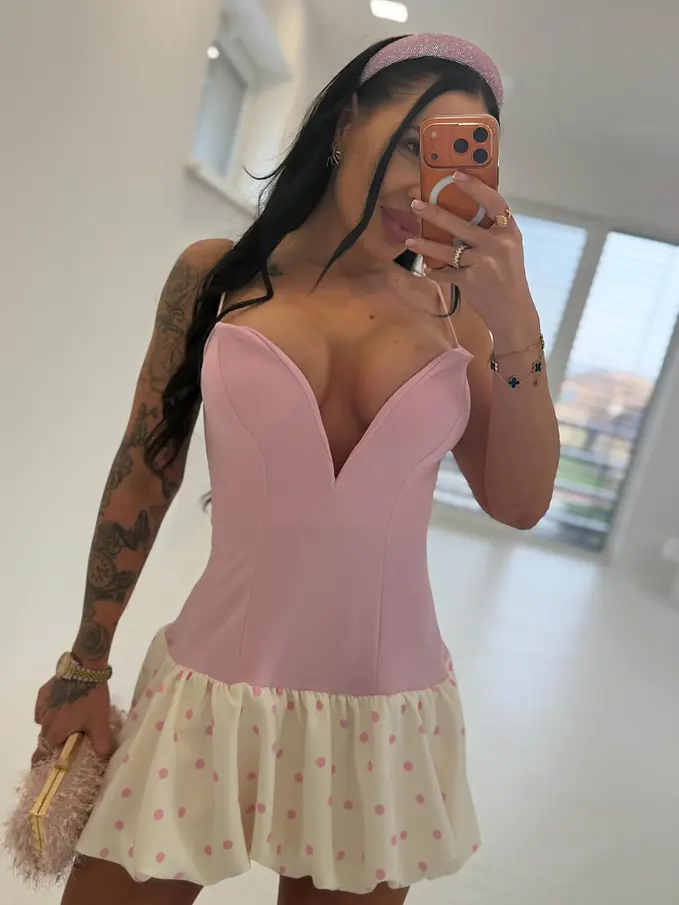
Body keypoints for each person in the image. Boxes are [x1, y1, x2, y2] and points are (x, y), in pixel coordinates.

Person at [34, 32, 559, 905]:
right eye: (410, 146)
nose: (419, 189)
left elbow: (518, 500)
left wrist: (515, 322)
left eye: (451, 164)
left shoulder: (458, 315)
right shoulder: (214, 276)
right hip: (208, 689)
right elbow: (144, 470)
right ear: (345, 122)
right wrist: (86, 662)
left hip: (382, 710)